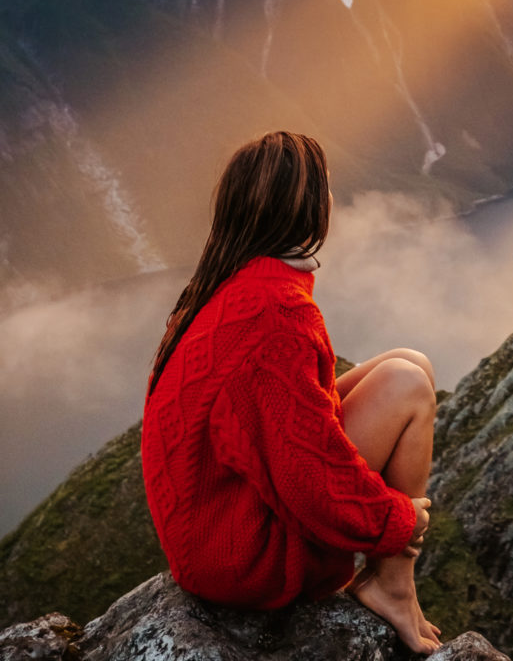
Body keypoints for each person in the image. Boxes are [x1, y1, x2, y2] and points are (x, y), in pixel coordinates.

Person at [141, 131, 441, 654]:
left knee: (407, 363)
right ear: (306, 207)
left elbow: (289, 427)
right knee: (409, 386)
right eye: (323, 189)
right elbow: (309, 480)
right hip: (239, 557)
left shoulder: (224, 284)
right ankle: (393, 583)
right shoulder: (277, 310)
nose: (330, 199)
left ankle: (389, 580)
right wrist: (396, 521)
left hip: (206, 533)